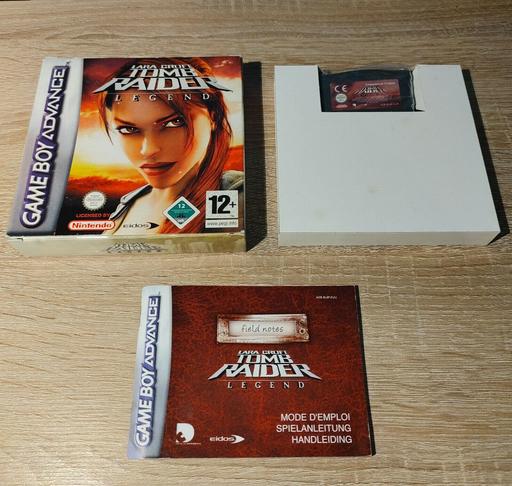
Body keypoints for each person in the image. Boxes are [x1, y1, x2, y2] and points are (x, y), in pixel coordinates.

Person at [97, 57, 242, 234]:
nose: (148, 150)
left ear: (213, 116)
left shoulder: (236, 195)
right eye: (128, 129)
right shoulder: (127, 204)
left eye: (174, 122)